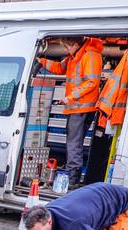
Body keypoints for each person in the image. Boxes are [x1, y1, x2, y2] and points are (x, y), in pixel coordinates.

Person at [39, 37, 104, 187]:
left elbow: (92, 82)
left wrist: (70, 97)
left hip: (81, 107)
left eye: (67, 47)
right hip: (75, 107)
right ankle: (71, 174)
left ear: (74, 44)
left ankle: (72, 178)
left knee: (73, 144)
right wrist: (40, 61)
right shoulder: (75, 56)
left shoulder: (90, 55)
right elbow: (59, 68)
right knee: (73, 143)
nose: (66, 51)